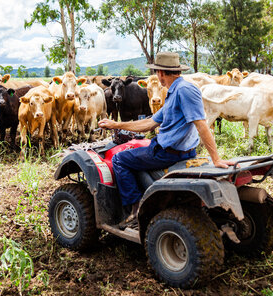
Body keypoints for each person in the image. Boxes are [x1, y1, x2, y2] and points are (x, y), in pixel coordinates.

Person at [98, 51, 234, 228]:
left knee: (119, 159)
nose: (157, 75)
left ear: (160, 73)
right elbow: (149, 123)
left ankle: (135, 209)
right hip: (176, 150)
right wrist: (116, 125)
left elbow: (201, 124)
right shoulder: (174, 92)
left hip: (168, 153)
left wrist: (216, 159)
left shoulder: (184, 90)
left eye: (156, 72)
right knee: (136, 155)